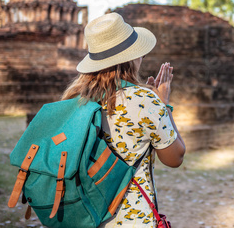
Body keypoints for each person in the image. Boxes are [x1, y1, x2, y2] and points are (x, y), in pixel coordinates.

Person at [62, 12, 186, 227]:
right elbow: (175, 158)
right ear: (130, 59)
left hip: (82, 215)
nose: (141, 58)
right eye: (139, 54)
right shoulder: (143, 100)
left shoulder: (75, 99)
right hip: (130, 217)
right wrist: (163, 104)